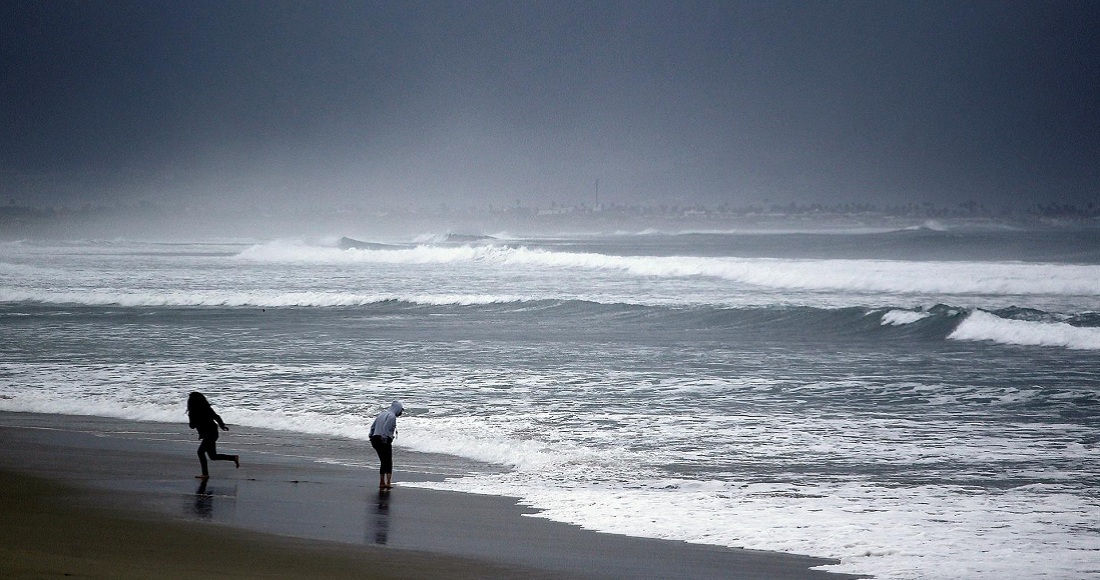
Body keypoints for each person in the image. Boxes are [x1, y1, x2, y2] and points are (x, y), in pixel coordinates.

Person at [187, 391, 239, 479]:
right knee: (213, 456)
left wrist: (191, 417)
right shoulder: (206, 408)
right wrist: (222, 426)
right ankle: (233, 458)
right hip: (213, 432)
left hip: (209, 434)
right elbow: (216, 416)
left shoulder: (193, 412)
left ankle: (205, 474)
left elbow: (192, 426)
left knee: (200, 452)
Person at [369, 401, 404, 489]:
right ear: (398, 409)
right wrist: (385, 439)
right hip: (383, 439)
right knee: (388, 461)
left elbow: (372, 427)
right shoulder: (392, 416)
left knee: (383, 461)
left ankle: (382, 482)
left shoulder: (382, 414)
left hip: (375, 438)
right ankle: (387, 483)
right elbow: (386, 428)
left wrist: (371, 437)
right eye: (401, 410)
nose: (401, 413)